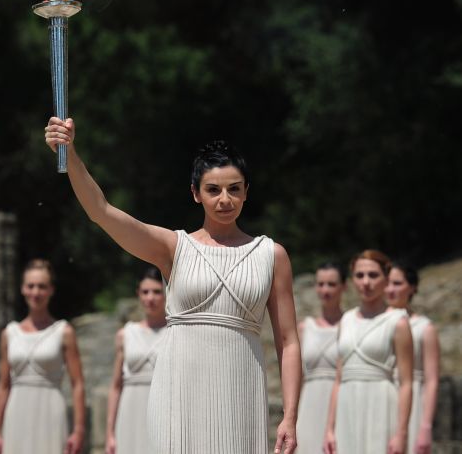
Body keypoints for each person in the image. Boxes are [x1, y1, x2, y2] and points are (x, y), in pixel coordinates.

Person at [44, 119, 300, 454]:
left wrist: (290, 417)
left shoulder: (271, 255)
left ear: (246, 191)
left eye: (234, 189)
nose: (225, 199)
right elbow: (102, 212)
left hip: (240, 391)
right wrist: (70, 152)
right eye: (213, 190)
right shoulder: (173, 248)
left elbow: (289, 342)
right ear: (196, 194)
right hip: (178, 392)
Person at [0, 259, 86, 454]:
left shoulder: (64, 331)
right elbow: (3, 385)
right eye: (30, 286)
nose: (35, 292)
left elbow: (77, 384)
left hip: (50, 409)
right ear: (22, 289)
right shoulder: (9, 333)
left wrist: (78, 429)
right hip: (16, 411)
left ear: (51, 290)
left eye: (42, 287)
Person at [323, 250, 413, 454]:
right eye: (359, 275)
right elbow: (338, 379)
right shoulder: (345, 320)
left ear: (386, 278)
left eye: (373, 275)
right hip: (347, 404)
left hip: (381, 403)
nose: (366, 282)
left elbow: (406, 382)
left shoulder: (398, 321)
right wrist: (329, 428)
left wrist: (401, 433)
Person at [105, 267, 167, 454]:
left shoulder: (177, 332)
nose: (150, 298)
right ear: (138, 294)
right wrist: (110, 433)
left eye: (157, 292)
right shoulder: (125, 334)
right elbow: (116, 386)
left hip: (163, 412)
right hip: (130, 412)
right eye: (145, 292)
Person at [386, 263, 439, 454]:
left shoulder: (425, 328)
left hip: (414, 399)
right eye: (388, 283)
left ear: (412, 287)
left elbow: (432, 380)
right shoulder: (375, 322)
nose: (390, 289)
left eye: (397, 283)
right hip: (383, 395)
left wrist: (425, 427)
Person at [295, 262, 346, 454]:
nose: (325, 290)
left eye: (331, 284)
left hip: (342, 405)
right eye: (321, 284)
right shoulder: (304, 328)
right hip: (309, 405)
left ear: (344, 287)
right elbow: (297, 377)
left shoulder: (351, 325)